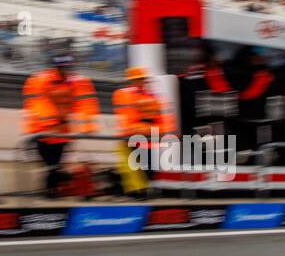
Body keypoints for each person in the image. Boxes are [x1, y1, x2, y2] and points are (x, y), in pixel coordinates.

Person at [22, 52, 99, 197]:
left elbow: (85, 103)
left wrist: (88, 126)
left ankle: (52, 191)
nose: (66, 70)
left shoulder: (74, 82)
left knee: (55, 164)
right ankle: (53, 189)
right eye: (63, 67)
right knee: (51, 165)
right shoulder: (41, 80)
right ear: (56, 68)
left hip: (62, 133)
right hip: (43, 133)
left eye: (68, 67)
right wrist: (51, 122)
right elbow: (39, 104)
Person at [112, 66, 175, 197]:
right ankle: (138, 193)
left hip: (149, 138)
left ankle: (145, 191)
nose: (139, 82)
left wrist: (161, 131)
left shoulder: (153, 97)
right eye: (136, 80)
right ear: (131, 81)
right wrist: (149, 129)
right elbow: (127, 120)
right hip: (134, 138)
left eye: (141, 80)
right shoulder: (125, 95)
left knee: (148, 166)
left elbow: (161, 118)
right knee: (137, 167)